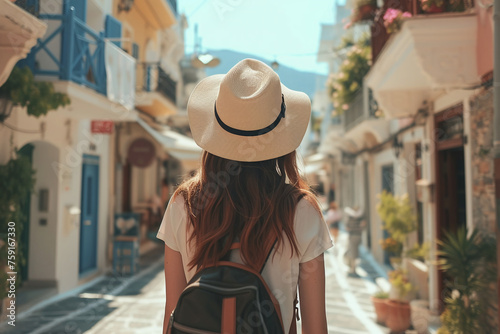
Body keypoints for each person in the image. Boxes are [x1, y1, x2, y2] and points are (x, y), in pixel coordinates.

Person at [156, 59, 332, 334]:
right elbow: (315, 328)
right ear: (281, 138)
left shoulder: (184, 204)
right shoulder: (301, 210)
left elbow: (172, 314)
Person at [344, 206, 365, 277]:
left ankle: (353, 269)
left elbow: (347, 227)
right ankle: (354, 268)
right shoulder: (360, 218)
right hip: (358, 236)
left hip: (352, 236)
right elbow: (363, 226)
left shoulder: (350, 218)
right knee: (356, 253)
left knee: (352, 253)